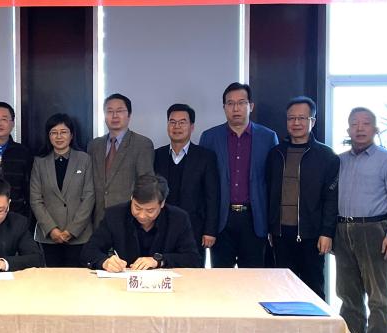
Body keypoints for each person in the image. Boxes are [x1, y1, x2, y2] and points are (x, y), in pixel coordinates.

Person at [334, 107, 387, 333]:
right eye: (354, 123)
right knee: (348, 295)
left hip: (375, 230)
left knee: (377, 296)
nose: (360, 128)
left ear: (375, 129)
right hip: (343, 230)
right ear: (348, 129)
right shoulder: (339, 161)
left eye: (365, 123)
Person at [265, 96, 339, 298]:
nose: (296, 123)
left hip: (312, 234)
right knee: (281, 290)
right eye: (291, 118)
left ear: (312, 121)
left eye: (302, 118)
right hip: (280, 234)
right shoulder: (275, 154)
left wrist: (327, 232)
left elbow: (331, 199)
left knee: (313, 289)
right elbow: (268, 191)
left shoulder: (326, 156)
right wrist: (270, 227)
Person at [199, 82, 279, 268]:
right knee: (221, 277)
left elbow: (273, 183)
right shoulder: (210, 137)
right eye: (230, 103)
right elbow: (203, 184)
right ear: (224, 107)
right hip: (221, 219)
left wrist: (272, 225)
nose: (236, 108)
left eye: (241, 103)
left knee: (253, 276)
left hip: (254, 218)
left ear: (251, 106)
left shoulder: (268, 137)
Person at [82, 173, 201, 270]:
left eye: (150, 210)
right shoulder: (115, 215)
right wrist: (104, 262)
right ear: (131, 198)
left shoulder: (178, 219)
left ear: (162, 203)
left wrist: (159, 261)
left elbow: (193, 259)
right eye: (137, 208)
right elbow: (88, 251)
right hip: (123, 284)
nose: (142, 216)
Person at [153, 103, 218, 264]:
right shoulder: (157, 155)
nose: (177, 127)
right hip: (161, 228)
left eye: (182, 122)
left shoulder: (205, 157)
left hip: (194, 228)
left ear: (192, 127)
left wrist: (210, 231)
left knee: (193, 271)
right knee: (160, 269)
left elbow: (212, 196)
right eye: (172, 122)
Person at [29, 113, 95, 267]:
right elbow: (35, 199)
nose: (59, 136)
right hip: (48, 236)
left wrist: (72, 230)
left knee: (78, 278)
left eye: (63, 132)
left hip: (79, 235)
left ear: (71, 135)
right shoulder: (39, 162)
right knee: (51, 278)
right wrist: (52, 229)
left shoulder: (84, 159)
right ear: (48, 136)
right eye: (54, 132)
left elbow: (89, 197)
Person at [87, 93, 154, 226]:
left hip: (128, 218)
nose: (115, 116)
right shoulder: (94, 145)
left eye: (120, 111)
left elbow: (146, 184)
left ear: (129, 115)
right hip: (98, 218)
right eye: (109, 111)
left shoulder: (142, 144)